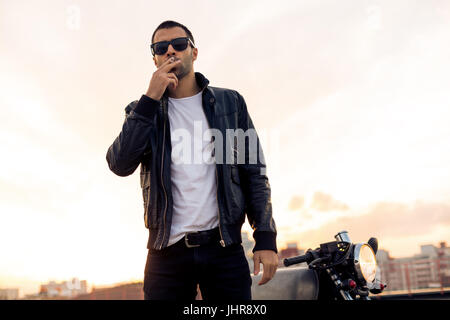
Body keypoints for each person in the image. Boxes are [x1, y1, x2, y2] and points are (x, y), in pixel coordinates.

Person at [106, 20, 278, 301]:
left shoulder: (229, 104)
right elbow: (120, 164)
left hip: (224, 248)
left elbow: (254, 173)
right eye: (161, 48)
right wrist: (150, 98)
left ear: (194, 52)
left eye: (179, 43)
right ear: (154, 59)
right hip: (166, 254)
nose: (170, 51)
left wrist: (266, 236)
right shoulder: (143, 111)